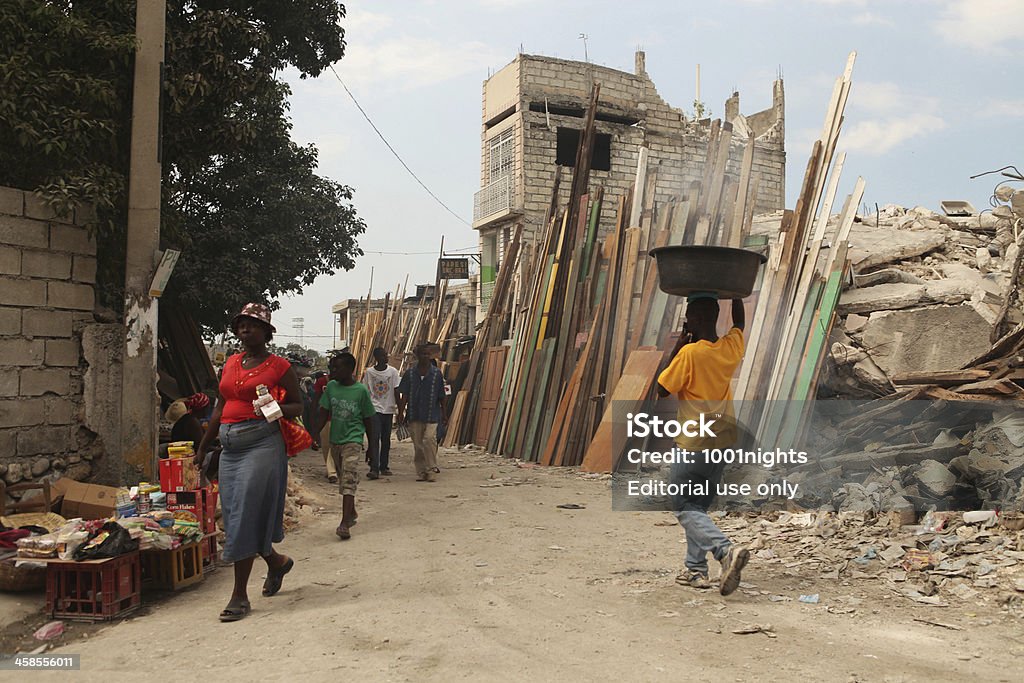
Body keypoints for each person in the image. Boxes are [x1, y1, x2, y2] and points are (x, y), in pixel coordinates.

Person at [197, 303, 299, 622]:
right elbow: (219, 407)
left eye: (253, 325)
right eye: (241, 324)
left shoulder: (279, 366)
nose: (245, 329)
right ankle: (276, 561)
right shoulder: (229, 364)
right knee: (236, 512)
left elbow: (299, 405)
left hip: (262, 444)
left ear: (267, 332)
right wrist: (202, 448)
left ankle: (239, 596)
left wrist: (273, 407)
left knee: (244, 513)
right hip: (229, 449)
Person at [656, 293, 750, 596]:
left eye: (689, 316)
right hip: (722, 441)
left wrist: (678, 346)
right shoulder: (729, 348)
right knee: (698, 508)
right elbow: (740, 323)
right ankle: (695, 570)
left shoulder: (690, 354)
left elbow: (661, 389)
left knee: (683, 506)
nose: (686, 320)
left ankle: (724, 551)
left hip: (694, 441)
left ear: (697, 319)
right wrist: (736, 293)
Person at [317, 353, 375, 540]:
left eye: (337, 368)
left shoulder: (361, 391)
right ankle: (352, 512)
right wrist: (312, 436)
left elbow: (369, 420)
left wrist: (373, 447)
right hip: (336, 441)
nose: (333, 371)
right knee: (344, 479)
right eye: (332, 367)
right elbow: (323, 412)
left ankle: (344, 523)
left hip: (353, 440)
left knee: (348, 479)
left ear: (349, 370)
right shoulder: (331, 388)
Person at [397, 344, 447, 482]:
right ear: (417, 356)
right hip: (415, 413)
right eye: (423, 354)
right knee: (418, 444)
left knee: (429, 440)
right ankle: (422, 471)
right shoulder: (410, 374)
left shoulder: (436, 373)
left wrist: (444, 413)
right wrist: (401, 412)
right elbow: (404, 394)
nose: (425, 357)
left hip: (432, 413)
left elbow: (442, 395)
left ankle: (431, 469)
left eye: (427, 354)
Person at [361, 347, 400, 479]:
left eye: (386, 355)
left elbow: (396, 390)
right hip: (374, 409)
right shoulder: (369, 373)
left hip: (388, 409)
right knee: (374, 438)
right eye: (383, 356)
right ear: (377, 358)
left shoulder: (393, 372)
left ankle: (384, 465)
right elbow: (365, 391)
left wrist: (399, 410)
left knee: (386, 439)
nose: (386, 357)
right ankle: (374, 468)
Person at [313, 371, 337, 483]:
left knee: (334, 446)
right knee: (326, 446)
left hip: (338, 420)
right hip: (324, 418)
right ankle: (330, 469)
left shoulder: (345, 382)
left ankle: (332, 472)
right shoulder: (322, 381)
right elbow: (316, 398)